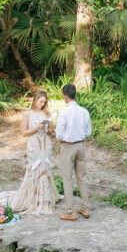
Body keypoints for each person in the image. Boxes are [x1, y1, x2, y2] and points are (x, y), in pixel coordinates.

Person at [11, 90, 61, 214]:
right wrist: (36, 127)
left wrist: (48, 128)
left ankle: (45, 199)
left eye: (44, 102)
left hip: (45, 144)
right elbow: (23, 133)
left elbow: (50, 133)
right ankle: (32, 199)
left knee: (45, 167)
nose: (42, 104)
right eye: (40, 102)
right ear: (35, 100)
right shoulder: (28, 114)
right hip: (33, 144)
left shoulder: (47, 113)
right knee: (34, 168)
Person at [55, 83, 91, 221]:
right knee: (82, 177)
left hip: (68, 147)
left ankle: (70, 211)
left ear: (65, 96)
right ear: (75, 94)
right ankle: (85, 208)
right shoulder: (84, 111)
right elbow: (88, 131)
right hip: (81, 146)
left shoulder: (64, 112)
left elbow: (59, 134)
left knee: (67, 179)